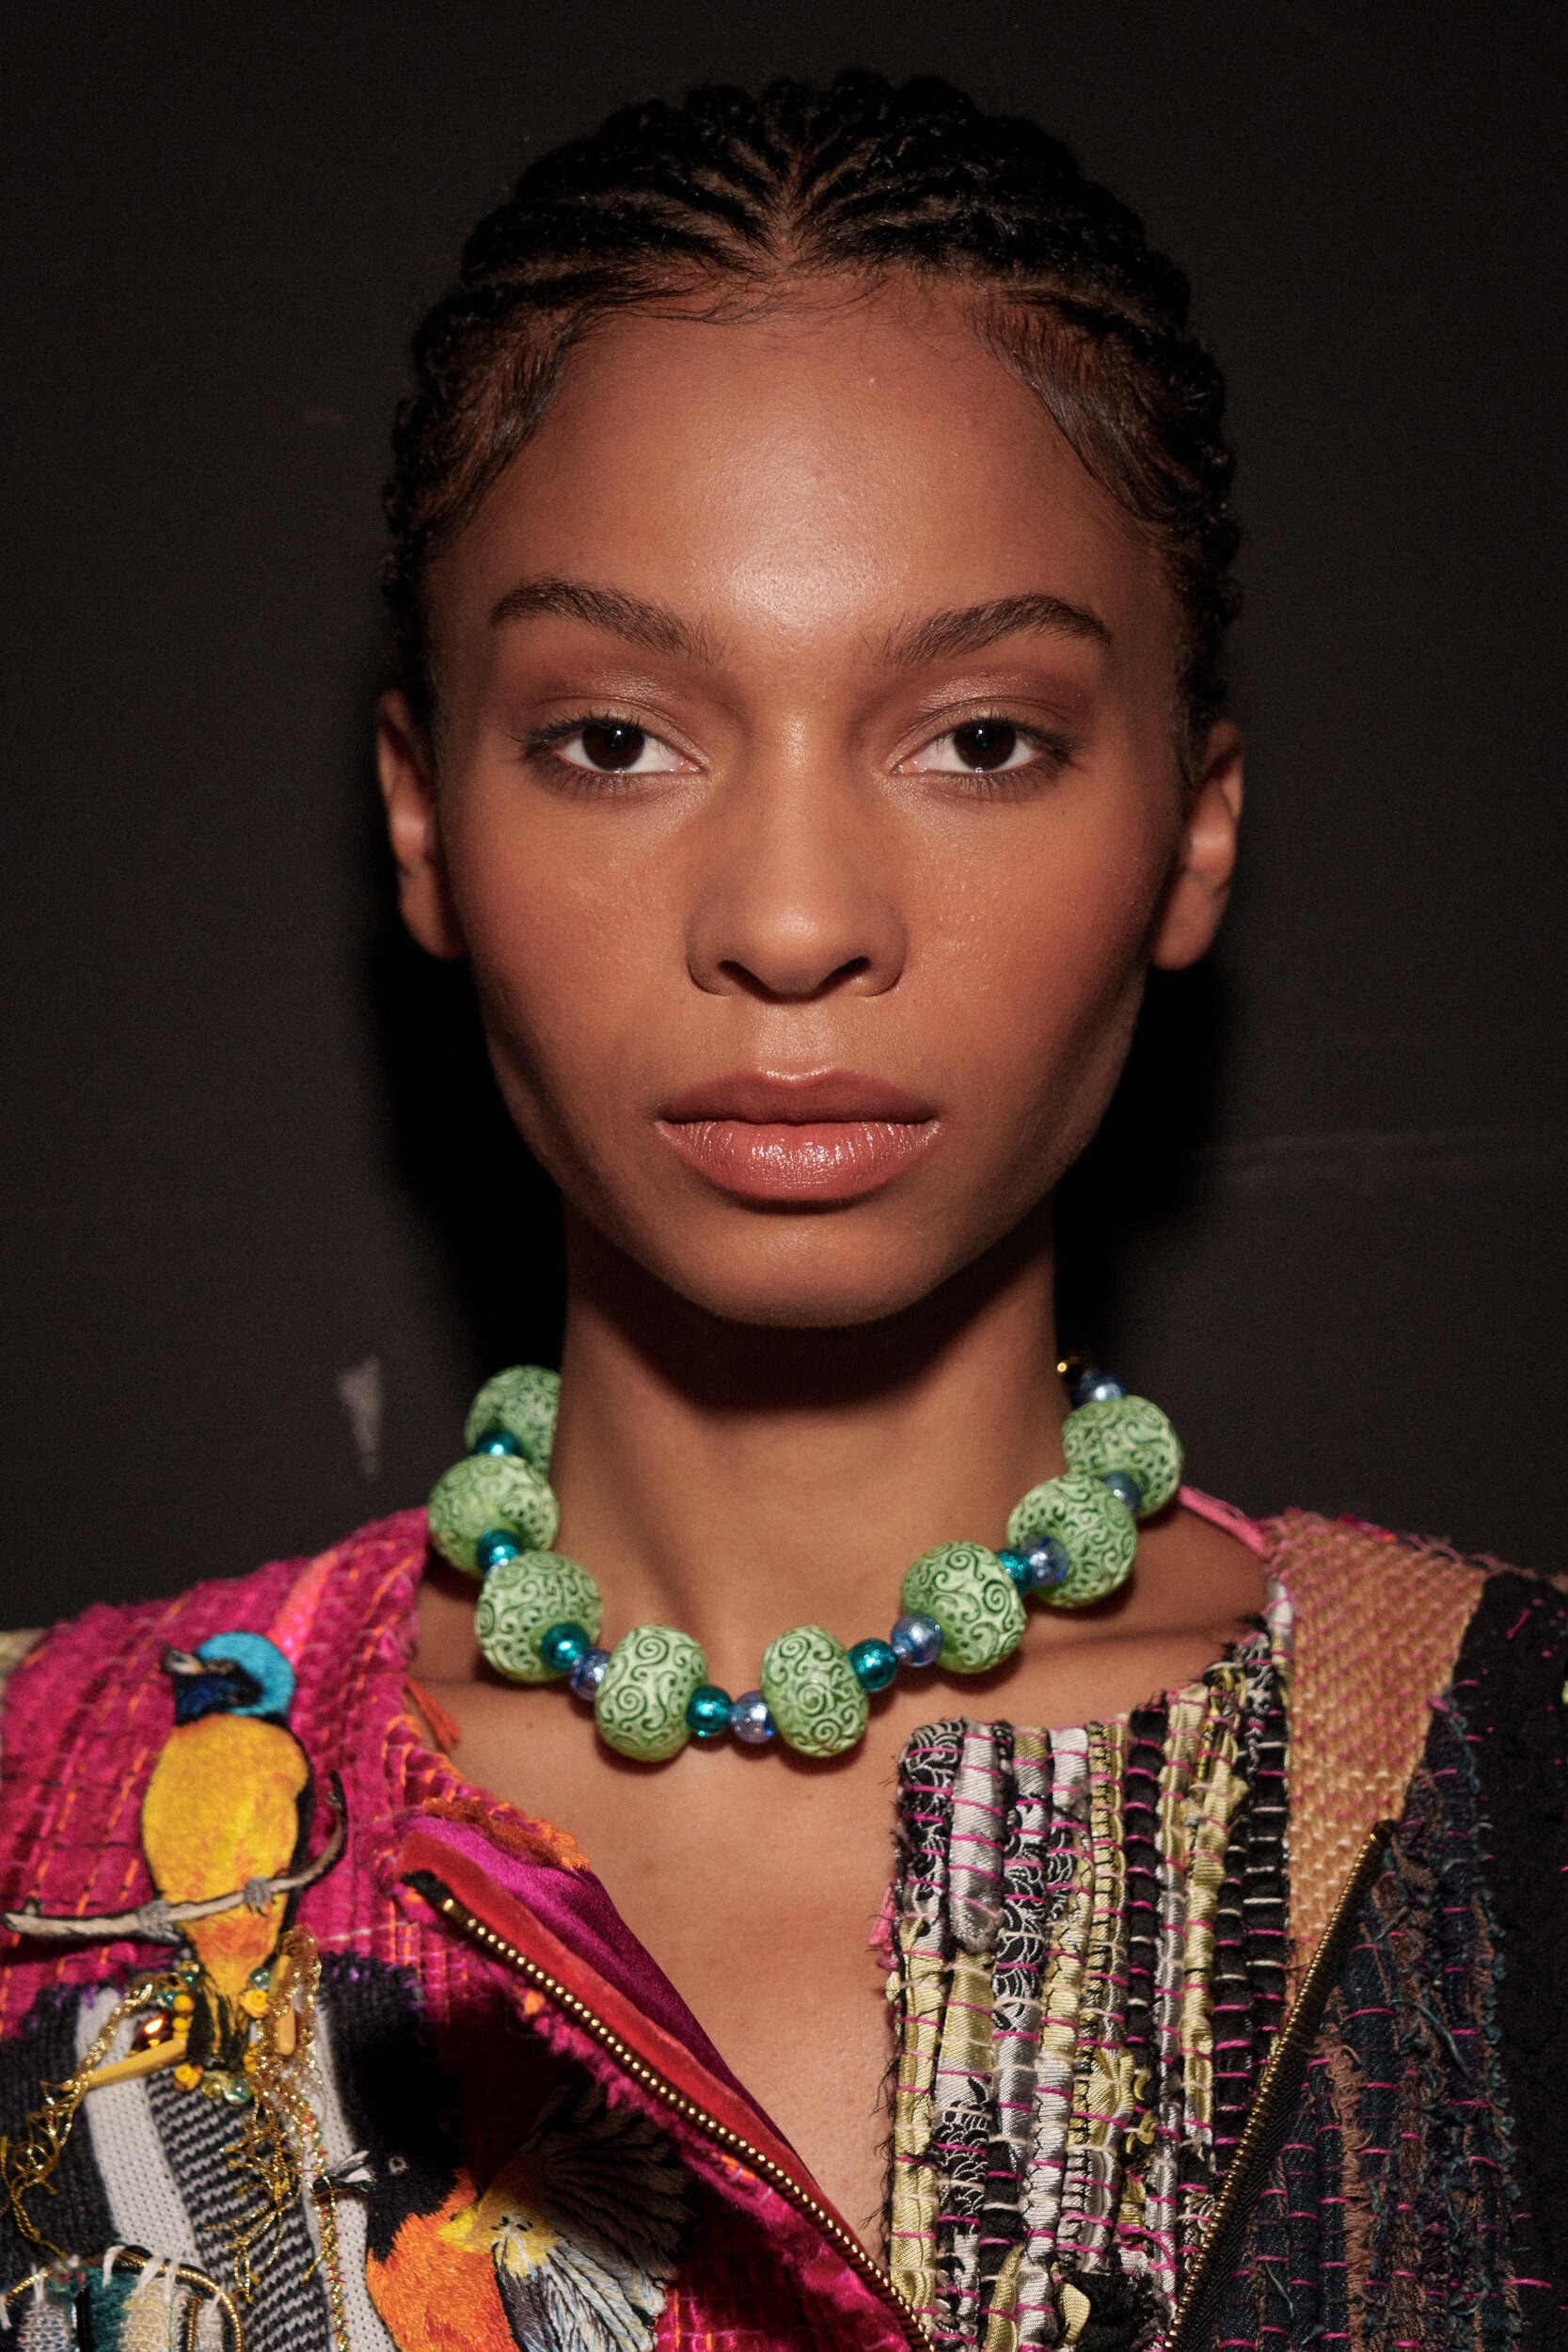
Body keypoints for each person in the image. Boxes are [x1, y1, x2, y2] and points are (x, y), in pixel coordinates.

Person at [0, 72, 1560, 2352]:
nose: (797, 918)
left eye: (982, 738)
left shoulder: (1509, 1782)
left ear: (1197, 822)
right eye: (616, 738)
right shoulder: (57, 1820)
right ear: (423, 817)